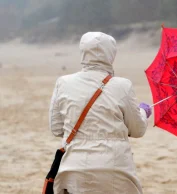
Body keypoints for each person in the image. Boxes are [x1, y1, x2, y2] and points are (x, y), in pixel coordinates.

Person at [49, 32, 152, 194]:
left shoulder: (63, 83)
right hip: (116, 169)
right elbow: (138, 130)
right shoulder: (123, 86)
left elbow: (56, 129)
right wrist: (143, 112)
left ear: (83, 52)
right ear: (111, 54)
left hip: (73, 168)